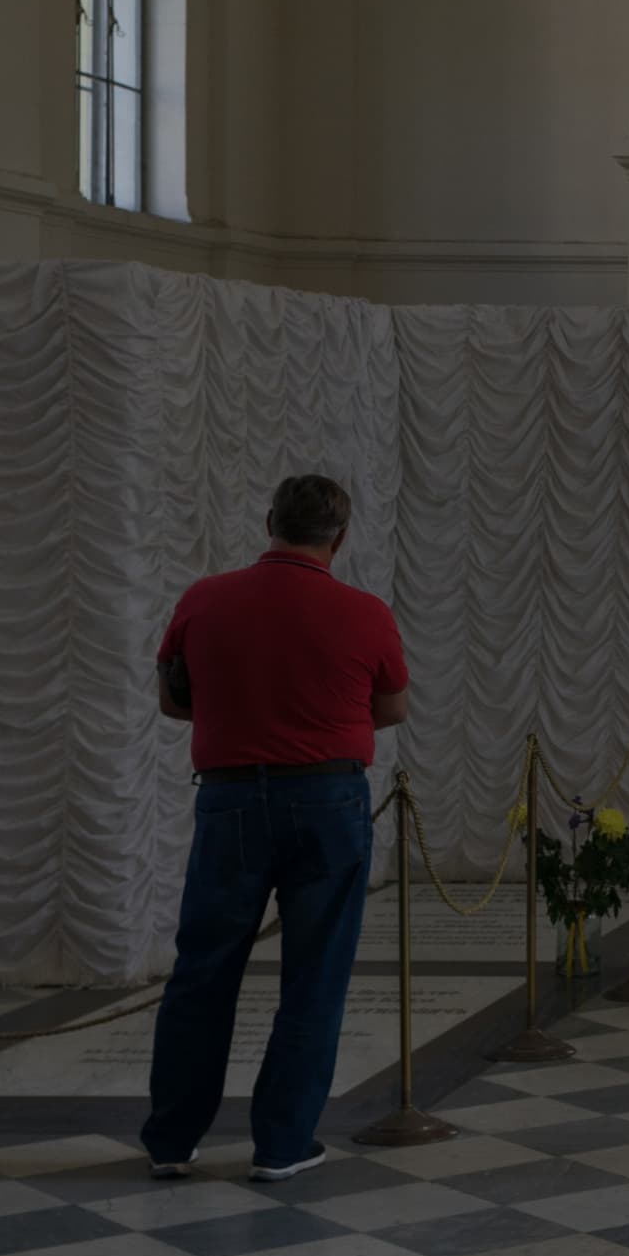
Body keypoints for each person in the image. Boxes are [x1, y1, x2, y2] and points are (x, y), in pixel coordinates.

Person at [141, 469, 409, 1182]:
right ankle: (283, 1144)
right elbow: (392, 708)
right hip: (328, 800)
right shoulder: (365, 612)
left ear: (269, 525)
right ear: (339, 538)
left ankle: (172, 1140)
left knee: (203, 971)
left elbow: (173, 700)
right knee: (315, 975)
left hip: (230, 800)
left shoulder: (204, 598)